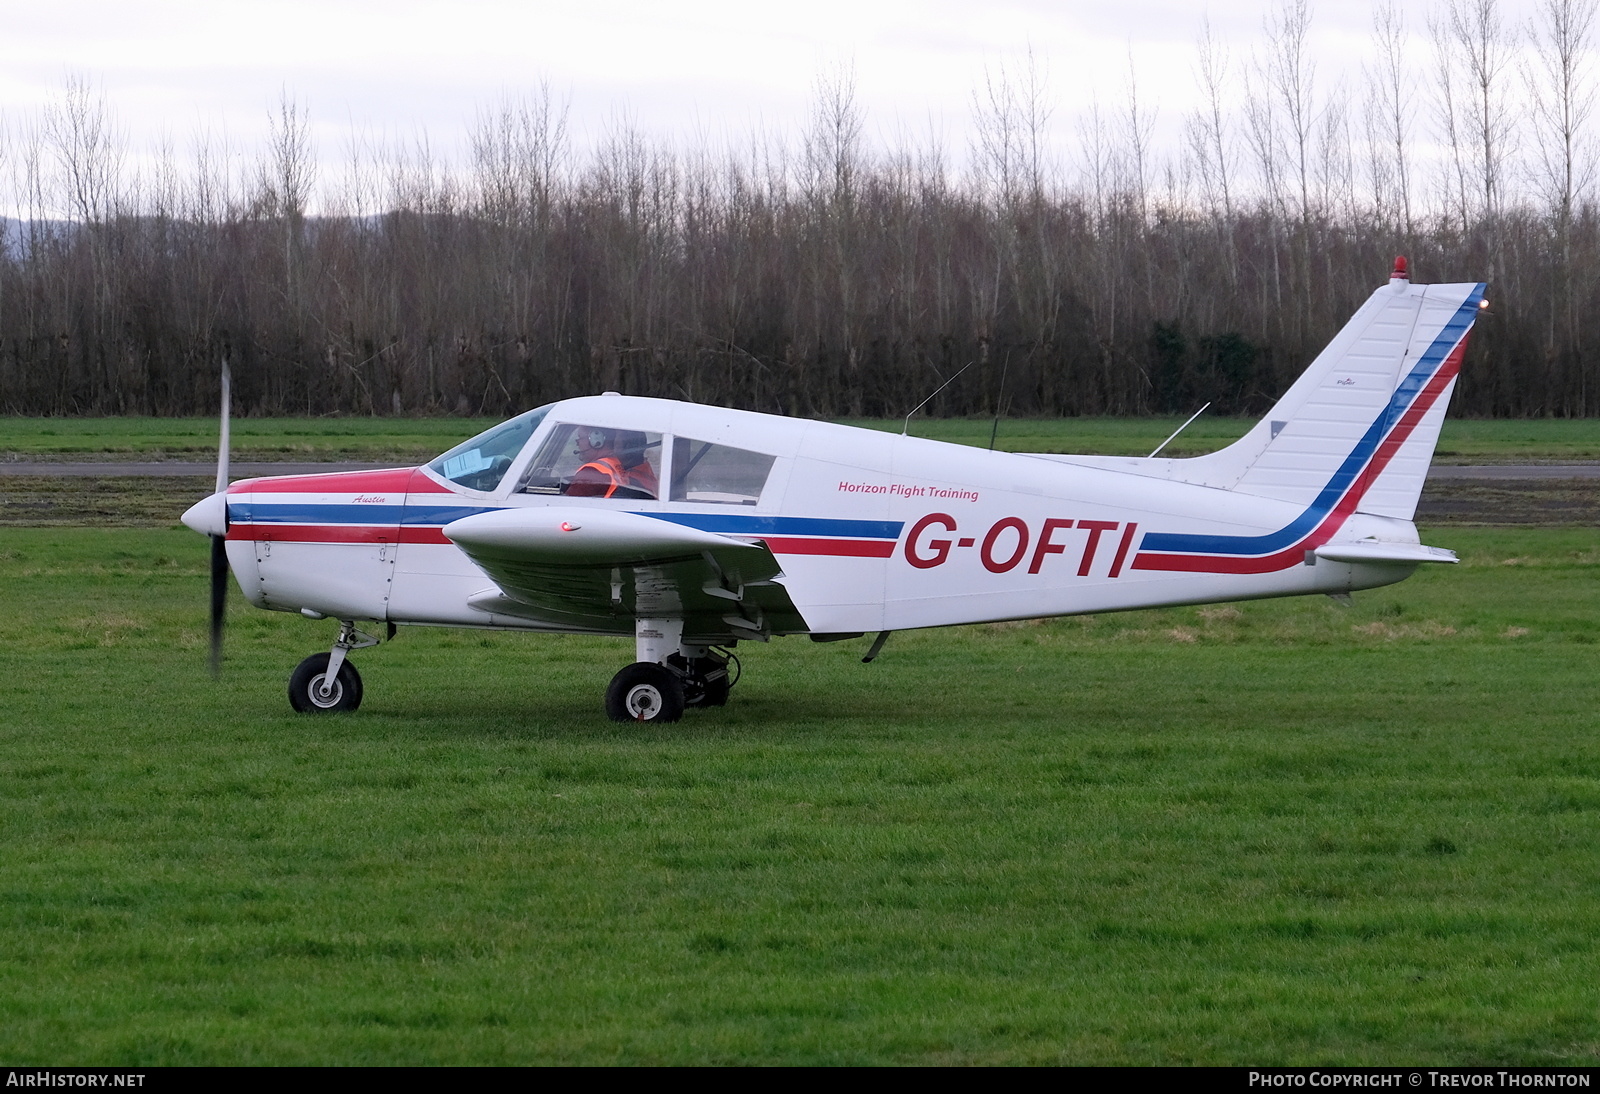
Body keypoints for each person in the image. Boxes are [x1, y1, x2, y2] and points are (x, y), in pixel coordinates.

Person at [565, 427, 659, 499]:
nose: (577, 443)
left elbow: (567, 508)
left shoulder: (591, 473)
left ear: (596, 441)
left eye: (580, 438)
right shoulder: (615, 465)